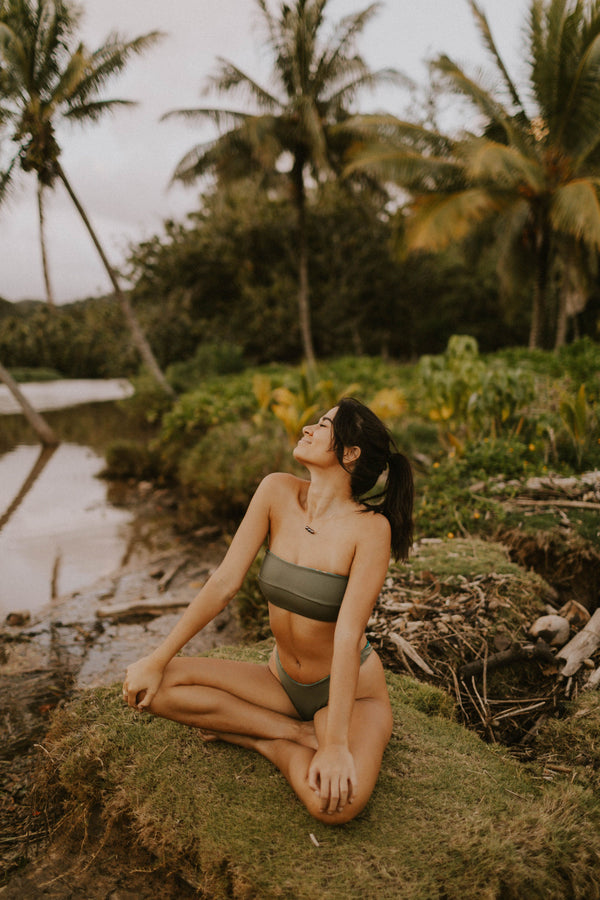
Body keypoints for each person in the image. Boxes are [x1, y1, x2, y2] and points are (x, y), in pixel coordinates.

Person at [123, 397, 413, 824]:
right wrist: (157, 656)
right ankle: (288, 734)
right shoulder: (277, 491)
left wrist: (333, 746)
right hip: (278, 681)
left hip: (351, 695)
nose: (308, 429)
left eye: (324, 425)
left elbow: (349, 636)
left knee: (335, 807)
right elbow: (224, 583)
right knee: (156, 687)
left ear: (350, 453)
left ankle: (262, 741)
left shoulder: (371, 530)